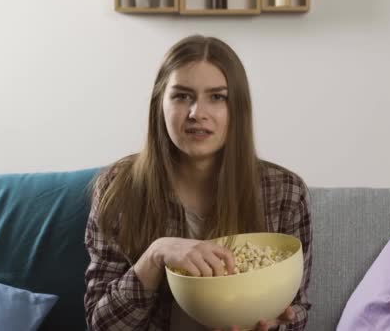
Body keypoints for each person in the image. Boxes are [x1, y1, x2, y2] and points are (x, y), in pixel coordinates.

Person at [84, 35, 312, 331]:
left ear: (238, 108)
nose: (197, 113)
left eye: (217, 97)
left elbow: (297, 310)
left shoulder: (286, 193)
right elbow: (99, 324)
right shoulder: (118, 187)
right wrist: (155, 256)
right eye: (181, 96)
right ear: (159, 104)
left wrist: (274, 326)